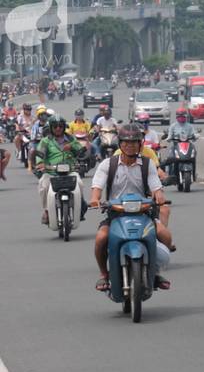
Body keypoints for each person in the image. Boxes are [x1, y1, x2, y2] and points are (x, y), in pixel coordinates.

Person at [89, 124, 173, 292]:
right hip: (116, 214)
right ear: (120, 144)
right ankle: (104, 274)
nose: (130, 145)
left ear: (140, 144)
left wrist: (159, 196)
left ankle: (154, 271)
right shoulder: (108, 164)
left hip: (143, 213)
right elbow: (97, 187)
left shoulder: (147, 164)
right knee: (100, 239)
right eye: (126, 142)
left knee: (165, 235)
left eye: (134, 142)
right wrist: (95, 199)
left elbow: (156, 187)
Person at [35, 115, 87, 224]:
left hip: (70, 169)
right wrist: (40, 163)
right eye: (55, 126)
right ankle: (47, 211)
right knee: (43, 185)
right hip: (51, 171)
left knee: (80, 184)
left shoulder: (71, 139)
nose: (58, 128)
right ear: (51, 128)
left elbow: (80, 150)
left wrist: (72, 147)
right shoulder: (45, 141)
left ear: (63, 127)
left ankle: (80, 210)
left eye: (60, 126)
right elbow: (40, 154)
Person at [30, 106, 51, 171]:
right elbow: (33, 135)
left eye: (45, 114)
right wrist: (34, 137)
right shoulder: (36, 125)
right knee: (32, 151)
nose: (44, 116)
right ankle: (33, 165)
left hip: (49, 141)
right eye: (42, 115)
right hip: (37, 142)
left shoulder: (50, 123)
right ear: (39, 116)